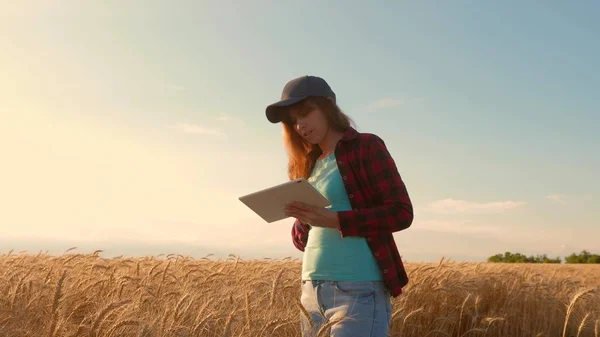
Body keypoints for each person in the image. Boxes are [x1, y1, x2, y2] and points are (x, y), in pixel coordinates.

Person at [265, 75, 414, 337]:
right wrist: (302, 217)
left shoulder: (366, 146)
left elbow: (401, 212)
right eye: (293, 120)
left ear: (328, 106)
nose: (300, 125)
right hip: (311, 290)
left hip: (357, 289)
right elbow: (303, 240)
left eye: (305, 113)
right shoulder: (309, 165)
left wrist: (335, 220)